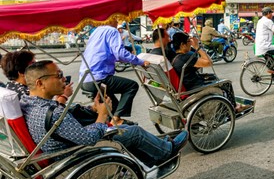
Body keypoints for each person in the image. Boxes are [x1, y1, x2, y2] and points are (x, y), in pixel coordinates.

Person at [21, 60, 188, 166]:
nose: (64, 79)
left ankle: (153, 156)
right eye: (58, 75)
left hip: (61, 145)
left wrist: (93, 110)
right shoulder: (53, 113)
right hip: (76, 153)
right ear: (40, 83)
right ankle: (166, 151)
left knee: (123, 131)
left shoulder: (28, 103)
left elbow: (61, 116)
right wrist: (102, 116)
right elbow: (89, 139)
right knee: (133, 132)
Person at [79, 21, 151, 126]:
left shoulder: (96, 31)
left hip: (86, 80)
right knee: (132, 86)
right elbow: (120, 53)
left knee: (115, 107)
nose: (117, 22)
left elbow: (104, 53)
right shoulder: (112, 31)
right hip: (99, 79)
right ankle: (116, 120)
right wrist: (141, 62)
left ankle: (114, 123)